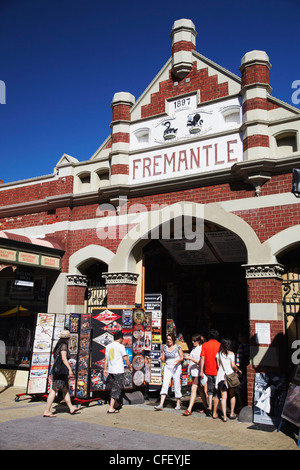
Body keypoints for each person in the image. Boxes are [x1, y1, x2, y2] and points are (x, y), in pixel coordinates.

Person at [43, 330, 80, 417]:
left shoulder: (57, 346)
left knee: (65, 390)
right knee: (54, 390)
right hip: (61, 372)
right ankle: (47, 410)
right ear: (68, 338)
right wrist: (70, 369)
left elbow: (54, 360)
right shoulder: (63, 346)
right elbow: (64, 359)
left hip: (57, 371)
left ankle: (71, 407)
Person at [103, 331, 133, 414]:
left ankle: (116, 404)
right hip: (118, 370)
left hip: (111, 370)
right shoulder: (121, 346)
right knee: (116, 389)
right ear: (120, 338)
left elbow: (106, 359)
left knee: (113, 388)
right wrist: (130, 367)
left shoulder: (108, 346)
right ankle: (111, 408)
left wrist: (105, 369)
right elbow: (126, 358)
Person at [154, 333, 183, 411]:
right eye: (167, 339)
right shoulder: (165, 347)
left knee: (177, 384)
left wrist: (178, 361)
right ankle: (161, 403)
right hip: (168, 366)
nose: (168, 341)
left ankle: (178, 403)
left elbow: (182, 357)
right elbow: (163, 358)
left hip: (176, 367)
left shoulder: (177, 347)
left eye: (170, 339)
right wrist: (161, 358)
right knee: (165, 383)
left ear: (173, 339)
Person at [214, 338, 241, 421]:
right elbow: (233, 365)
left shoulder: (218, 354)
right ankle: (232, 413)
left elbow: (218, 366)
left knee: (223, 397)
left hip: (221, 377)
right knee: (232, 395)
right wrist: (238, 370)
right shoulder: (231, 354)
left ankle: (224, 416)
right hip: (230, 376)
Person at [182, 333, 208, 416]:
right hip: (193, 372)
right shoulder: (195, 348)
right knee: (200, 390)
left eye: (194, 341)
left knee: (193, 389)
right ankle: (206, 406)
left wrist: (190, 358)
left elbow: (200, 362)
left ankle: (189, 409)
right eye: (192, 340)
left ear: (199, 341)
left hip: (197, 372)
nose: (193, 342)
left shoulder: (201, 349)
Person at [199, 329, 220, 415]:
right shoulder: (219, 345)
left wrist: (201, 370)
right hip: (217, 371)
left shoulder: (205, 345)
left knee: (210, 390)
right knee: (217, 391)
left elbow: (202, 358)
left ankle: (210, 406)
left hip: (208, 370)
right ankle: (214, 412)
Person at [235, 331, 250, 411]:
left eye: (239, 336)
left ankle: (241, 404)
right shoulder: (250, 346)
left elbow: (238, 359)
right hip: (247, 368)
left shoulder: (241, 347)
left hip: (242, 369)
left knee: (239, 388)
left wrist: (237, 370)